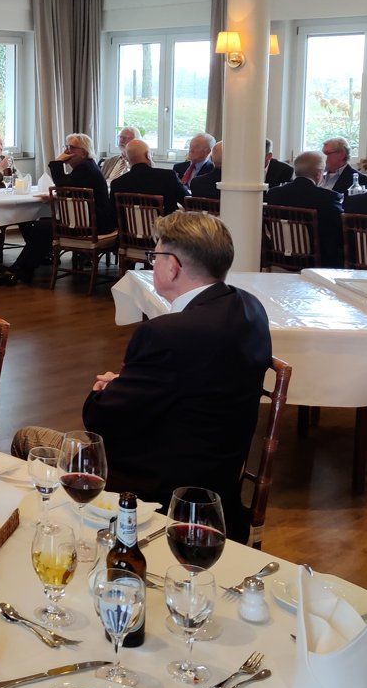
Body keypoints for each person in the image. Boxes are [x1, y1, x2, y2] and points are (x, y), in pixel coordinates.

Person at [83, 212, 270, 544]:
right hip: (222, 482)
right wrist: (128, 385)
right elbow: (186, 383)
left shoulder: (168, 333)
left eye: (155, 256)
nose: (152, 263)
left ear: (172, 266)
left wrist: (106, 390)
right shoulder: (249, 307)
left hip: (161, 490)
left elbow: (102, 419)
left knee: (30, 441)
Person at [0, 133, 110, 287]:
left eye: (71, 148)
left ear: (83, 152)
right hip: (88, 220)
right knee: (42, 225)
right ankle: (29, 265)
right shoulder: (86, 166)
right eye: (66, 147)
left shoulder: (85, 167)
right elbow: (71, 190)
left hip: (93, 224)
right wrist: (56, 195)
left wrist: (57, 162)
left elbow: (62, 185)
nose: (67, 151)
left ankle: (19, 271)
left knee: (42, 227)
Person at [264, 151, 345, 267]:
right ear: (319, 174)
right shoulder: (328, 197)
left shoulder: (273, 194)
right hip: (317, 261)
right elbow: (339, 229)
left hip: (280, 257)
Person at [110, 139, 190, 214]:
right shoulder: (168, 176)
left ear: (127, 159)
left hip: (128, 225)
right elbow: (188, 202)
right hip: (164, 224)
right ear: (148, 155)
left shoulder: (117, 184)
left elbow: (113, 214)